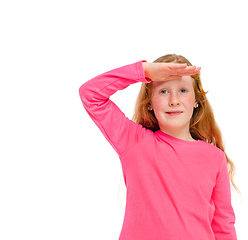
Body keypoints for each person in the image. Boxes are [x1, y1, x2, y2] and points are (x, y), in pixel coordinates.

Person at [79, 54, 238, 240]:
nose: (173, 100)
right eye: (163, 91)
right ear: (149, 103)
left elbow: (223, 226)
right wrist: (145, 71)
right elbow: (90, 94)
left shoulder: (214, 157)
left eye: (183, 90)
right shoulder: (134, 142)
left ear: (197, 101)